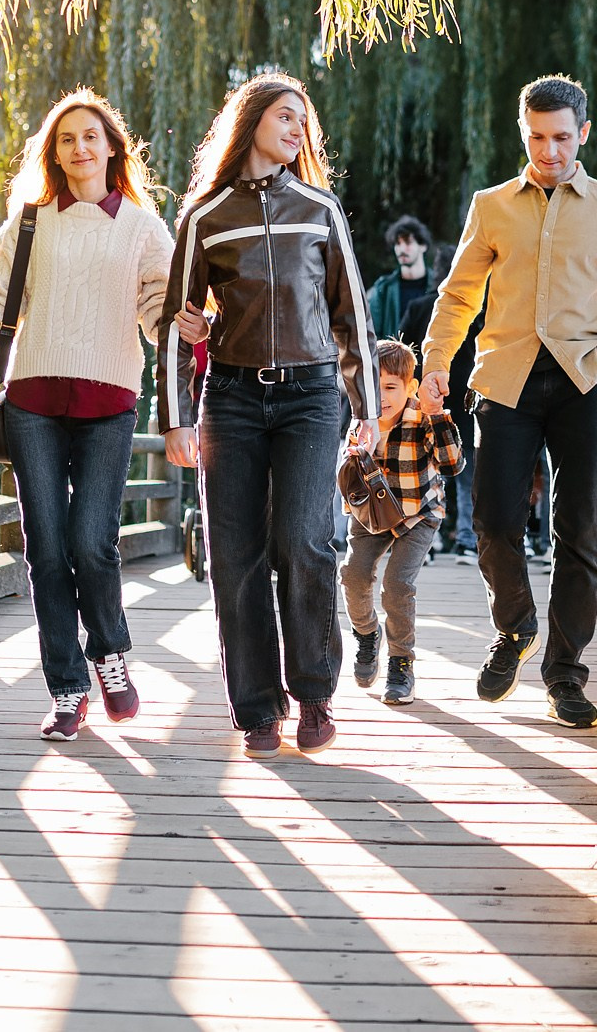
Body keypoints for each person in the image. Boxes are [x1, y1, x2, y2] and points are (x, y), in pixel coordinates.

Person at [421, 74, 597, 728]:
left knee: (580, 531)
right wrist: (436, 363)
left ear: (583, 133)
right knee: (494, 519)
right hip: (505, 380)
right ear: (522, 131)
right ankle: (515, 627)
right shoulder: (493, 205)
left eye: (561, 137)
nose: (549, 150)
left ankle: (565, 672)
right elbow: (457, 296)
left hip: (584, 382)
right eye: (536, 136)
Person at [0, 89, 175, 742]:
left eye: (91, 136)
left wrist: (193, 326)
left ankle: (109, 652)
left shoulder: (141, 225)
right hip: (32, 402)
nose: (79, 146)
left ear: (111, 147)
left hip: (109, 402)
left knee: (91, 543)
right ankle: (68, 688)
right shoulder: (27, 221)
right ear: (55, 150)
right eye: (67, 137)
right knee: (46, 548)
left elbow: (159, 315)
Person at [159, 73, 377, 759]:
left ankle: (314, 690)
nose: (297, 131)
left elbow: (353, 319)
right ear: (251, 119)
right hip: (231, 398)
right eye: (286, 117)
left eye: (302, 123)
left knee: (305, 539)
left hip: (312, 396)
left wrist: (366, 406)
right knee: (236, 554)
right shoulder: (204, 214)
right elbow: (176, 321)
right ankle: (257, 707)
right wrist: (174, 416)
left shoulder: (320, 208)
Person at [341, 341, 463, 706]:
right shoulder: (361, 421)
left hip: (417, 514)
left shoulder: (423, 417)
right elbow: (348, 474)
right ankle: (367, 635)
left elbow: (453, 464)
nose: (381, 397)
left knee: (397, 583)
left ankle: (401, 661)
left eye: (391, 387)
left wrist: (437, 413)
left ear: (410, 386)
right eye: (373, 387)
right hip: (371, 516)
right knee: (353, 575)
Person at [401, 285, 480, 559]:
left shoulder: (420, 307)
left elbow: (405, 351)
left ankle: (426, 541)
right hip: (465, 394)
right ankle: (467, 539)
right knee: (467, 467)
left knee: (424, 467)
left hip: (427, 392)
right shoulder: (475, 306)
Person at [367, 216, 437, 342]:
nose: (401, 249)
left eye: (408, 242)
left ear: (423, 246)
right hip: (395, 359)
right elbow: (371, 333)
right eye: (398, 244)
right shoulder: (384, 288)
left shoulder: (438, 286)